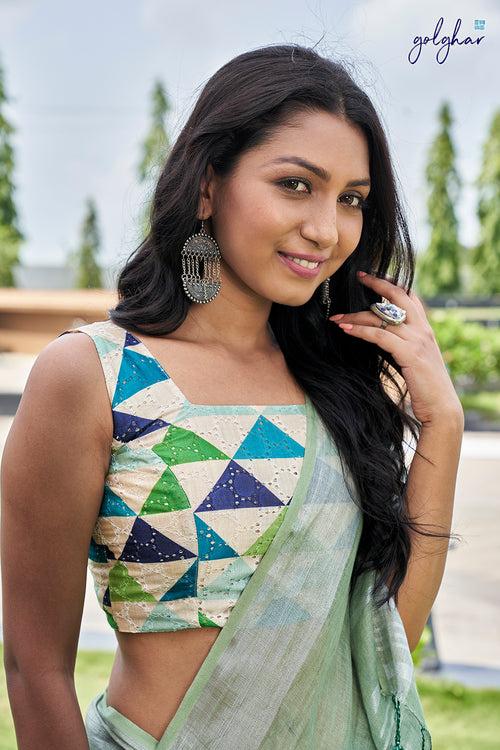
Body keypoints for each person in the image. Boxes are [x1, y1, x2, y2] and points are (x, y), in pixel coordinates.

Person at [1, 43, 464, 749]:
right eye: (296, 185)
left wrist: (443, 425)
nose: (327, 228)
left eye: (352, 200)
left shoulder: (335, 384)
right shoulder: (96, 375)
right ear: (209, 185)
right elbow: (35, 666)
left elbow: (384, 646)